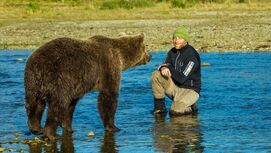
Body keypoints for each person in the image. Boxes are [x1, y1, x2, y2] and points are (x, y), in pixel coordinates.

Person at [151, 27, 201, 116]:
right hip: (175, 88)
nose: (176, 41)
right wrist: (163, 68)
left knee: (175, 112)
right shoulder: (172, 52)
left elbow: (182, 78)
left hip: (190, 90)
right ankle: (160, 108)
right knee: (156, 75)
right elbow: (165, 64)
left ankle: (191, 107)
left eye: (179, 38)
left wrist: (168, 67)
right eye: (174, 38)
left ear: (186, 40)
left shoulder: (192, 56)